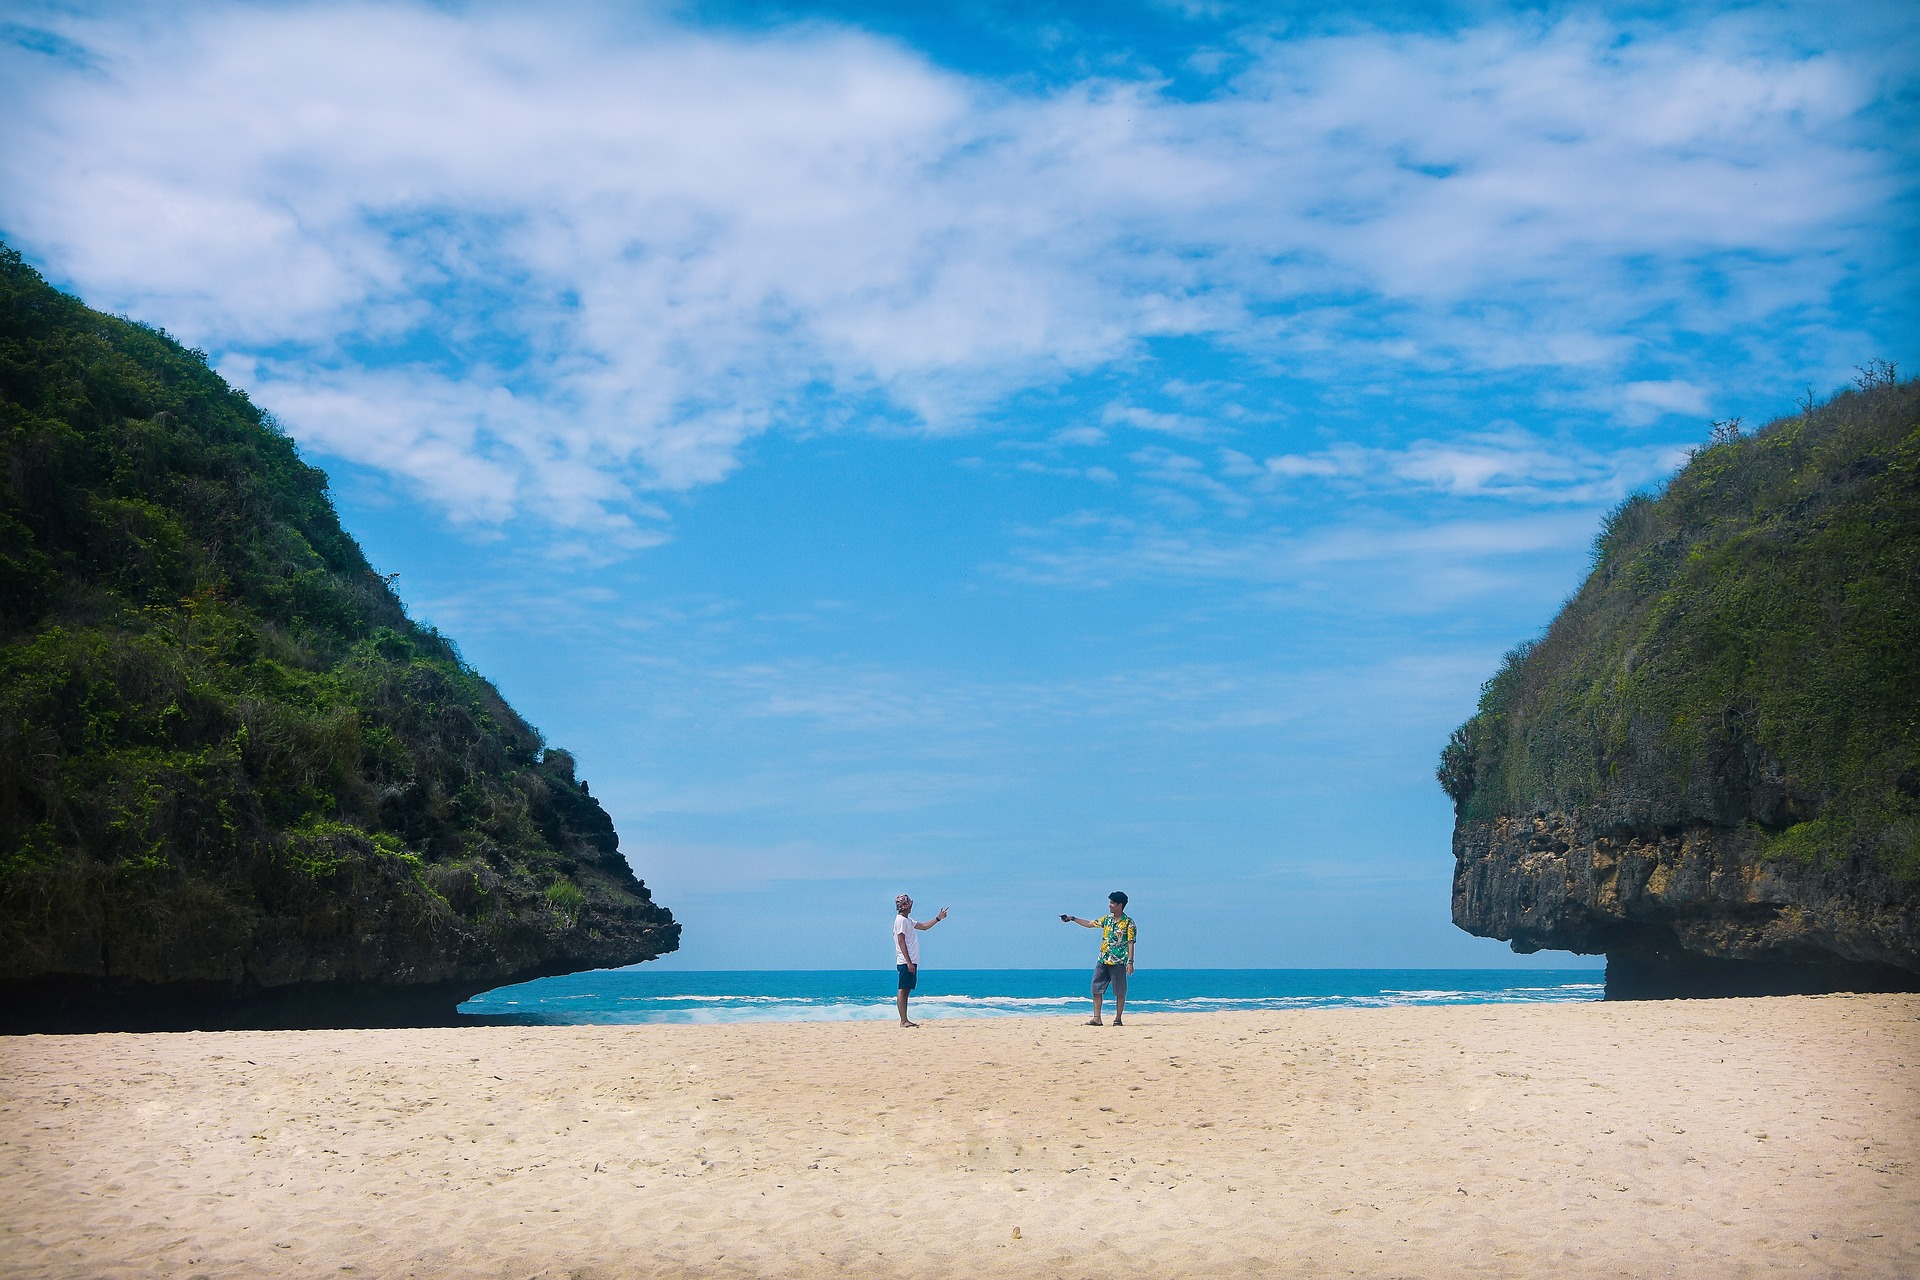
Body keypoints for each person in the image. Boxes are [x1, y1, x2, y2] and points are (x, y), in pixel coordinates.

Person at [1061, 892, 1136, 1026]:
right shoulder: (1107, 919)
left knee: (1120, 991)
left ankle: (1118, 1019)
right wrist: (1073, 918)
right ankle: (1097, 1018)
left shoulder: (1128, 923)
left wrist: (1130, 962)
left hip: (1118, 961)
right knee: (1096, 988)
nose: (1110, 905)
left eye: (1112, 903)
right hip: (1103, 959)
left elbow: (1131, 942)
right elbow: (1090, 924)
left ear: (1120, 905)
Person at [892, 893, 948, 1027]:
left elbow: (923, 926)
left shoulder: (908, 920)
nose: (912, 906)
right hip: (906, 961)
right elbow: (901, 941)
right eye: (910, 904)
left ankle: (905, 1019)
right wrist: (909, 962)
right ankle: (903, 1020)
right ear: (905, 906)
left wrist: (938, 918)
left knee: (906, 990)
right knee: (903, 989)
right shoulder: (900, 920)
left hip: (910, 961)